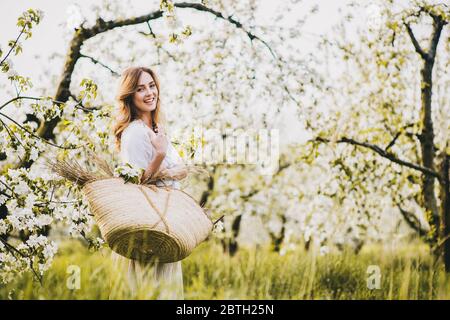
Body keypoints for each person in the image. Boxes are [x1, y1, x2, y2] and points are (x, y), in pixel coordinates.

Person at [111, 66, 188, 299]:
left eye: (151, 86)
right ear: (130, 96)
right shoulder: (134, 133)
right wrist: (159, 158)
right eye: (140, 89)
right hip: (148, 229)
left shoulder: (156, 130)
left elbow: (184, 169)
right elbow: (137, 184)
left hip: (166, 224)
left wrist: (168, 171)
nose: (149, 93)